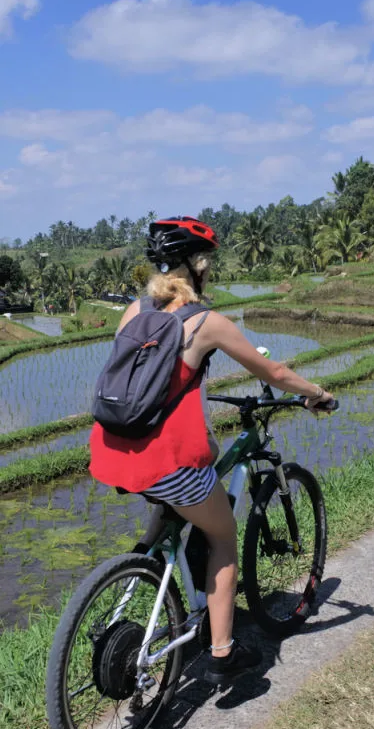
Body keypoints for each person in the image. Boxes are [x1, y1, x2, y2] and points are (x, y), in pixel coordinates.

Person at [89, 217, 336, 685]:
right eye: (208, 263)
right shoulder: (205, 322)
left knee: (198, 470)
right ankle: (222, 650)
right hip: (168, 462)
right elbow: (275, 373)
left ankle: (154, 549)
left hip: (112, 450)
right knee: (223, 535)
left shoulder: (134, 311)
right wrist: (315, 393)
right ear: (197, 266)